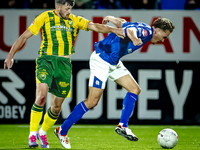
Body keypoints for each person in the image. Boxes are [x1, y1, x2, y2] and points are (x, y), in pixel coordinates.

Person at [3, 0, 125, 148]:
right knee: (41, 97)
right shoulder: (45, 17)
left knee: (56, 107)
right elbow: (24, 36)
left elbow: (94, 26)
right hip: (46, 61)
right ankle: (32, 135)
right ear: (58, 6)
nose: (69, 11)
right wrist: (10, 55)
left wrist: (112, 30)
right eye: (67, 8)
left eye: (70, 8)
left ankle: (43, 132)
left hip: (64, 65)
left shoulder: (75, 20)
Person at [54, 16, 175, 148]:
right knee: (92, 101)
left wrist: (110, 18)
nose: (163, 40)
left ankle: (123, 125)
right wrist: (134, 38)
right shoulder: (147, 32)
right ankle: (62, 130)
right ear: (157, 30)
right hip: (102, 60)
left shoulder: (144, 27)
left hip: (113, 62)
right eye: (164, 36)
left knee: (135, 89)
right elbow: (131, 30)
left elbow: (123, 23)